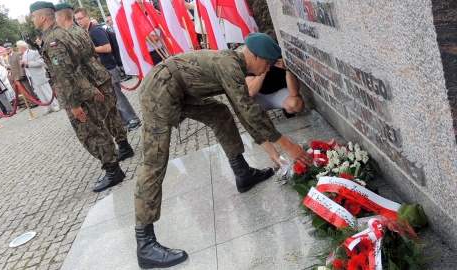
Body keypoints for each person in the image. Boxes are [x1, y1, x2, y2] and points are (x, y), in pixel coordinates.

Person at [133, 33, 313, 268]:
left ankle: (243, 173)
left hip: (180, 89)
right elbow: (249, 110)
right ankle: (144, 243)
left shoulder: (235, 67)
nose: (268, 67)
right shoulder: (229, 65)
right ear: (255, 56)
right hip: (159, 90)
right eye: (267, 62)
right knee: (154, 161)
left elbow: (242, 110)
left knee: (220, 114)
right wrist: (288, 146)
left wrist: (271, 151)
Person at [30, 1, 125, 192]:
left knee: (91, 133)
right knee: (96, 129)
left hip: (77, 95)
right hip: (83, 89)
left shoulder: (53, 40)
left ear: (41, 17)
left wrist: (74, 104)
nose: (32, 20)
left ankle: (113, 171)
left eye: (33, 17)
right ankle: (113, 166)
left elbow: (65, 73)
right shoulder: (61, 32)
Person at [55, 3, 135, 180]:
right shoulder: (79, 31)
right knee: (110, 114)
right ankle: (123, 146)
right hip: (96, 76)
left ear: (61, 17)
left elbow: (79, 62)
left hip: (93, 79)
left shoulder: (71, 34)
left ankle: (119, 151)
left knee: (105, 118)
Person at [74, 7, 142, 131]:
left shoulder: (96, 31)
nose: (78, 21)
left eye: (80, 18)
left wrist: (89, 49)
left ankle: (133, 119)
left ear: (87, 17)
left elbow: (107, 48)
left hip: (109, 68)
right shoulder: (89, 31)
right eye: (76, 20)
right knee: (113, 99)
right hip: (104, 69)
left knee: (118, 97)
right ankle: (126, 121)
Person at [244, 31, 305, 118]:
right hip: (260, 97)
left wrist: (287, 68)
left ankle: (287, 110)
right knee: (247, 104)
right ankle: (259, 120)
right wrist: (263, 68)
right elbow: (250, 92)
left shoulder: (280, 58)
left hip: (279, 94)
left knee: (297, 104)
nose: (270, 64)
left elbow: (294, 93)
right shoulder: (253, 62)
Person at [17, 40, 60, 115]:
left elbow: (41, 62)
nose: (18, 49)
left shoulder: (33, 52)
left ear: (22, 47)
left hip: (39, 75)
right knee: (40, 94)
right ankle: (47, 107)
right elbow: (26, 66)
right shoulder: (23, 55)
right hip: (32, 77)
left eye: (18, 47)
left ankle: (55, 105)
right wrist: (23, 65)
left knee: (47, 92)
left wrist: (28, 63)